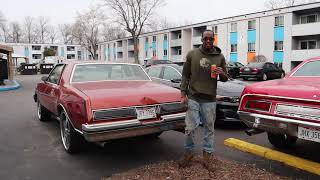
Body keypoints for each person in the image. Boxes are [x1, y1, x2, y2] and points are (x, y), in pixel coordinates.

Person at [178, 30, 228, 169]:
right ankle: (188, 153)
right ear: (201, 39)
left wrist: (222, 73)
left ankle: (208, 156)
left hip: (210, 100)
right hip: (193, 97)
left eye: (210, 39)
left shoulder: (220, 57)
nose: (208, 41)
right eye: (205, 38)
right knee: (190, 128)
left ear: (213, 40)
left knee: (209, 129)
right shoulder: (192, 54)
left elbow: (225, 78)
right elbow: (185, 76)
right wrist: (183, 94)